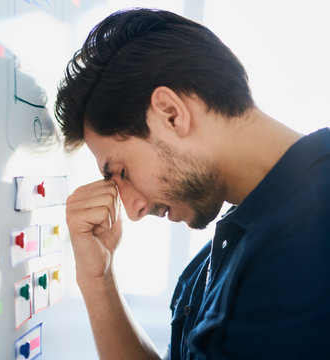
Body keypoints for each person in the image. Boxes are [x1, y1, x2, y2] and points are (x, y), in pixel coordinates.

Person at [54, 8, 330, 360]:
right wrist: (98, 279)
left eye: (121, 171)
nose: (134, 211)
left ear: (171, 113)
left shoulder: (312, 236)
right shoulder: (221, 254)